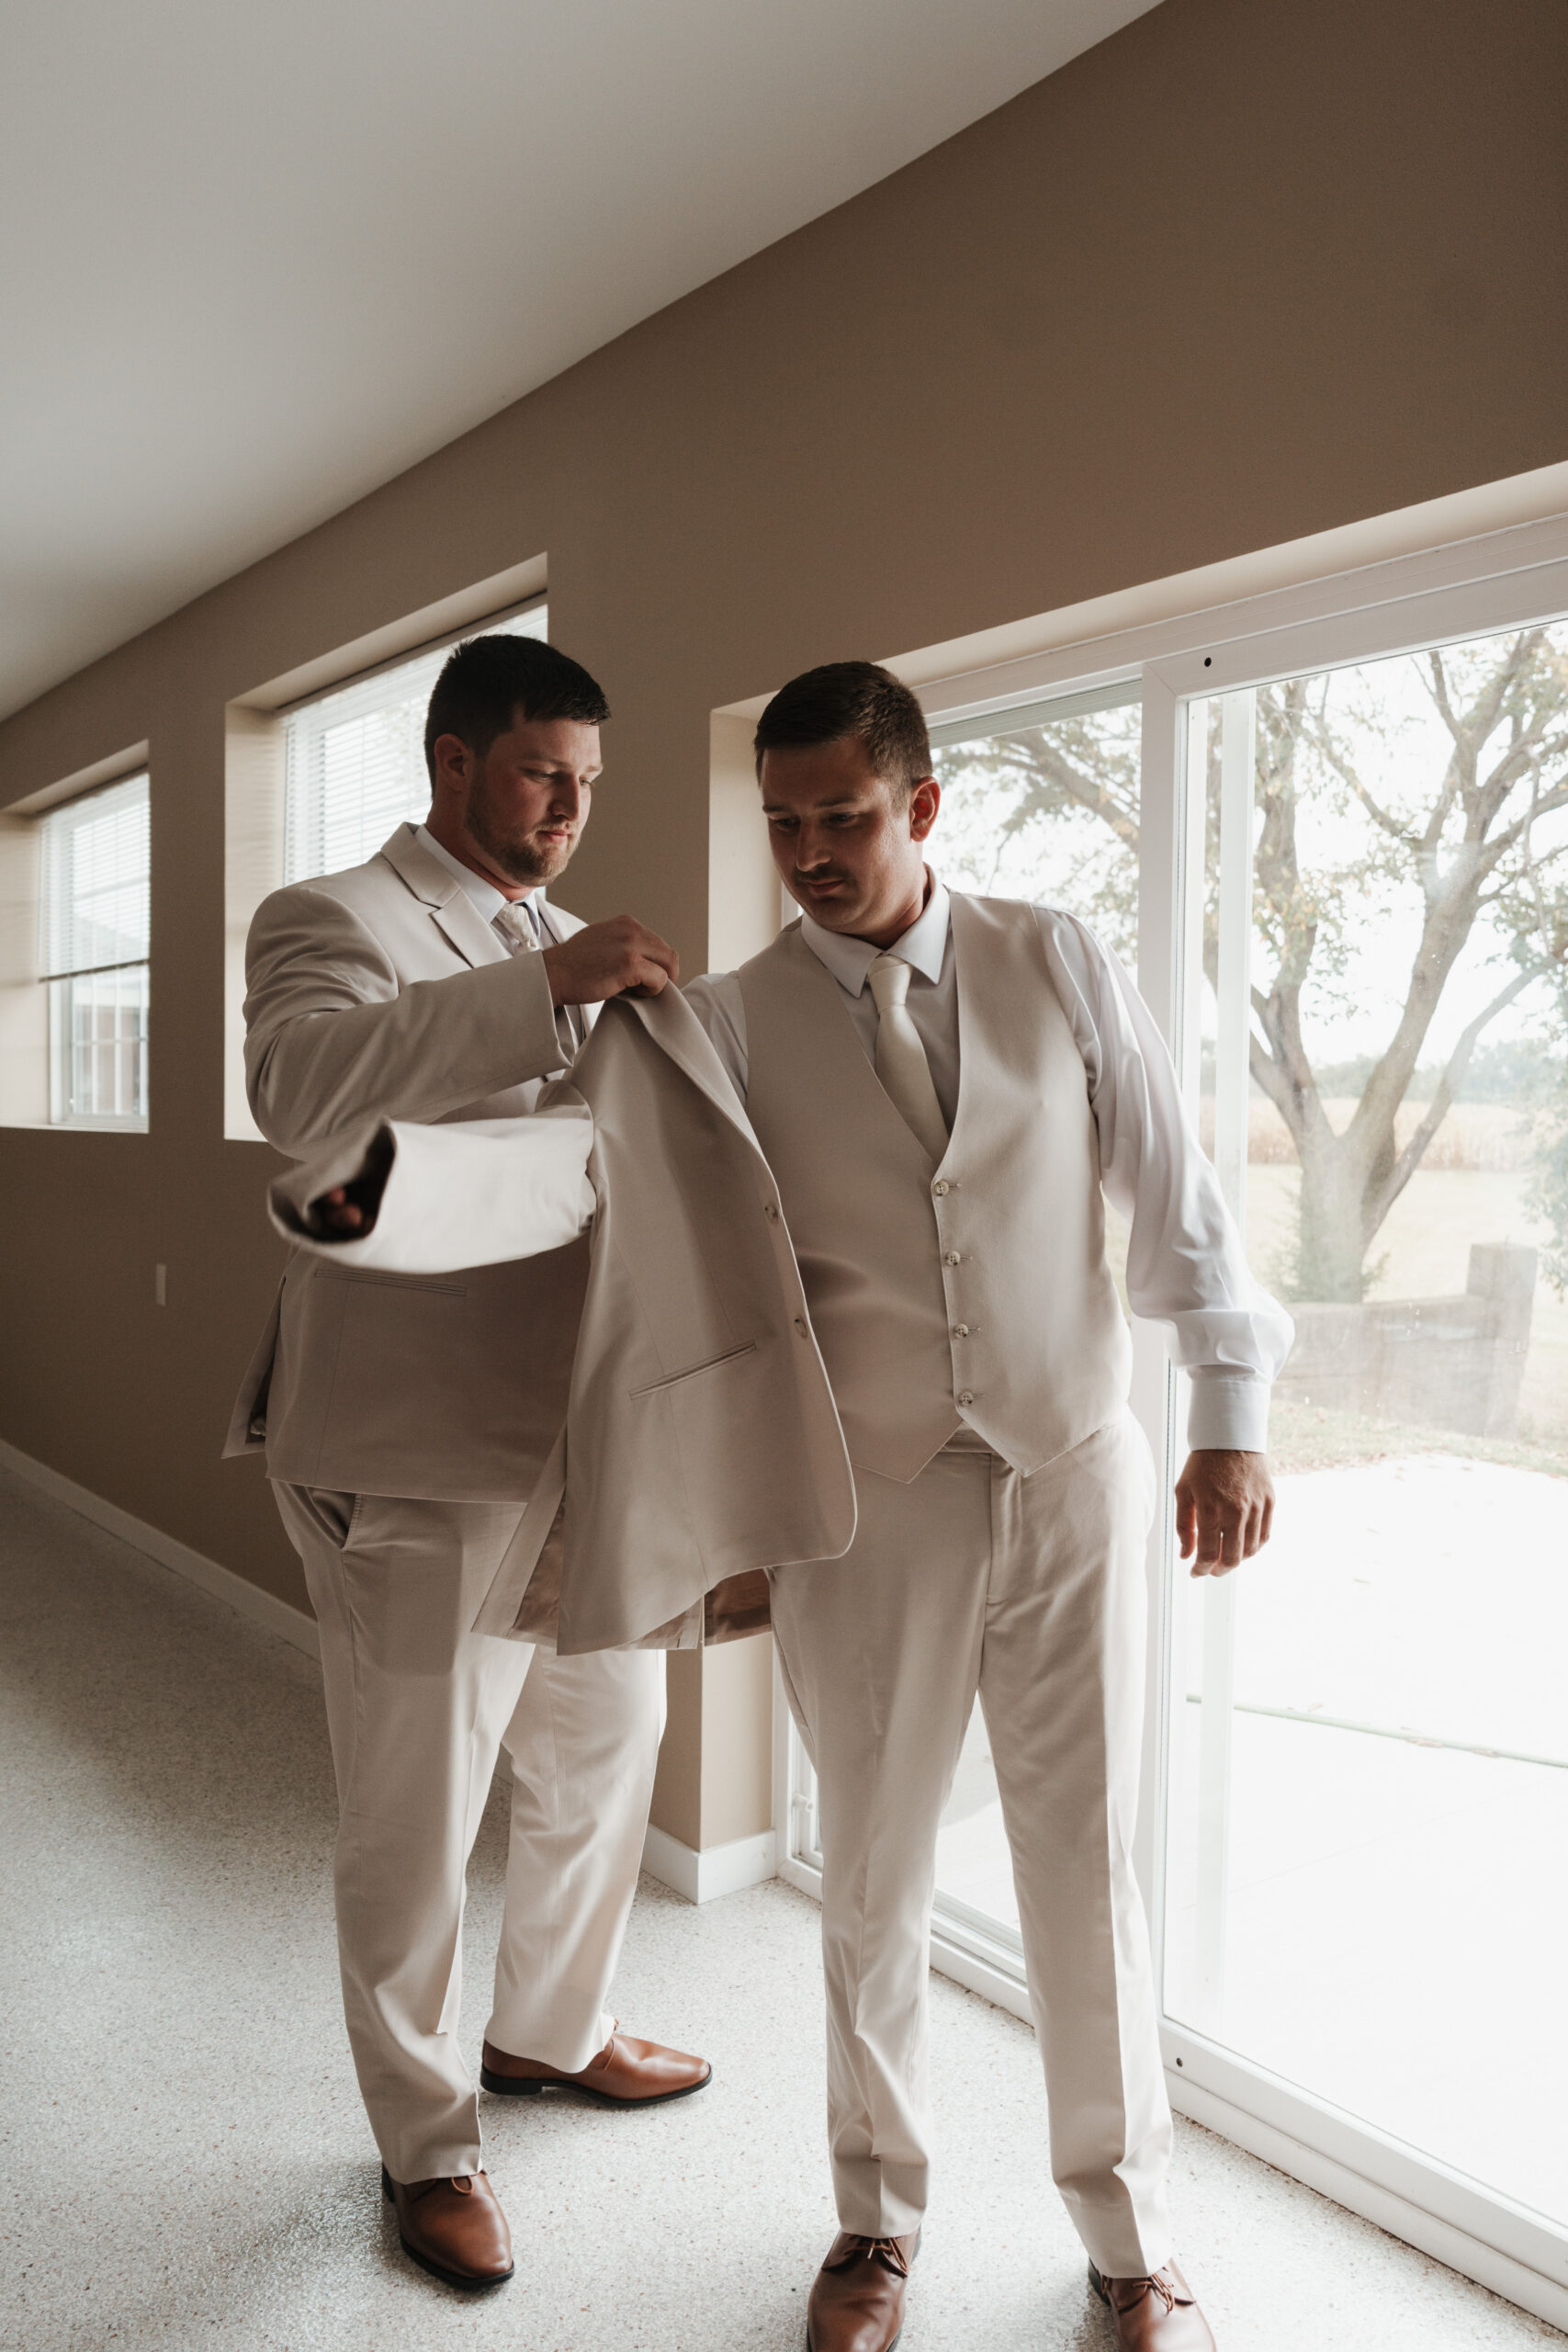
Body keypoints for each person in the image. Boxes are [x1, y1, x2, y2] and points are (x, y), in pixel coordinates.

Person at [265, 659, 1292, 2349]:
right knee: (855, 1871)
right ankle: (864, 2223)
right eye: (787, 822)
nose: (814, 850)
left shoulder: (1060, 956)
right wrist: (360, 1204)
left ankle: (1126, 2242)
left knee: (1079, 1867)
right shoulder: (696, 1010)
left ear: (924, 809)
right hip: (818, 1491)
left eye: (848, 818)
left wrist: (1231, 1410)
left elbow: (1174, 1195)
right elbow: (565, 1185)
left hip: (1067, 1471)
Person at [224, 632, 711, 2292]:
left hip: (577, 1442)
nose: (569, 813)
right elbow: (298, 1092)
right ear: (451, 762)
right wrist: (537, 994)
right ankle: (427, 2142)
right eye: (538, 776)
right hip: (408, 1444)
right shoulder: (330, 920)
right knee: (416, 1806)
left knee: (610, 1733)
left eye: (586, 786)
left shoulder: (578, 939)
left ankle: (550, 2031)